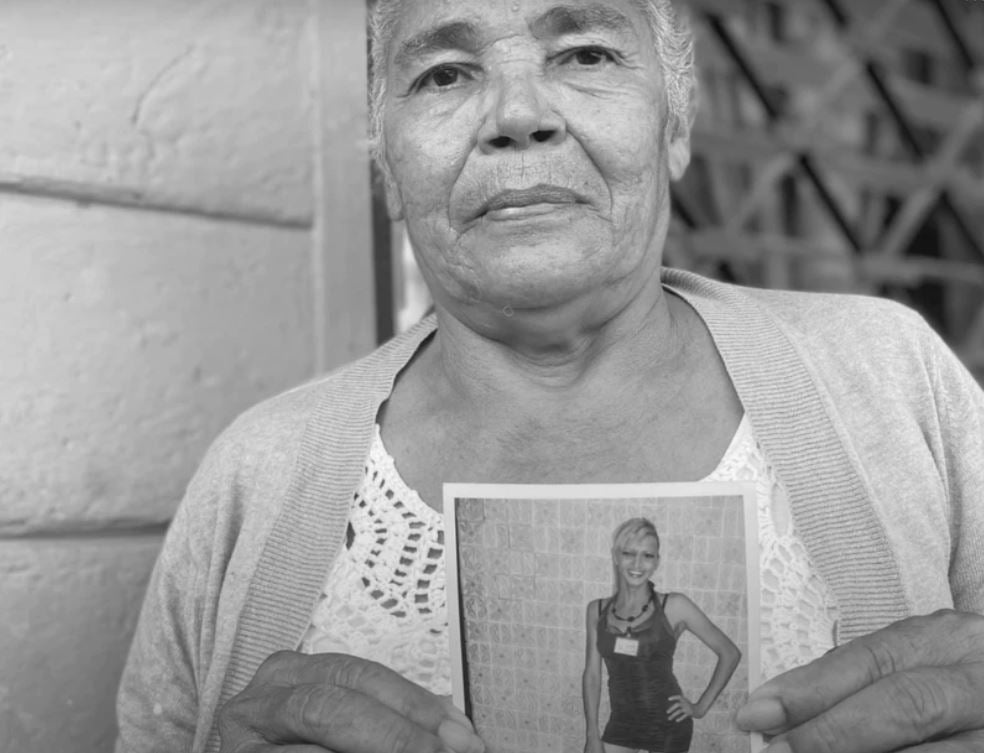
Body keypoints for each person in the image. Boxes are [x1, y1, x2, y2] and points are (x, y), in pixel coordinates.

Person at [114, 0, 984, 751]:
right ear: (387, 168)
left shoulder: (894, 376)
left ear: (675, 127)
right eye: (445, 74)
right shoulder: (258, 472)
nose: (519, 115)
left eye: (586, 54)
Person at [583, 518, 741, 753]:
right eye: (628, 553)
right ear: (616, 556)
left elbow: (730, 653)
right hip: (621, 723)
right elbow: (592, 676)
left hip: (668, 724)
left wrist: (699, 708)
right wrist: (592, 734)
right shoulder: (596, 610)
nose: (637, 563)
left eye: (647, 555)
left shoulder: (674, 606)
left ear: (657, 561)